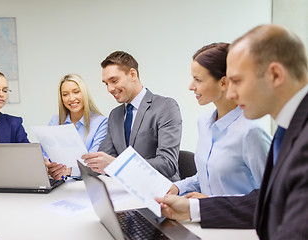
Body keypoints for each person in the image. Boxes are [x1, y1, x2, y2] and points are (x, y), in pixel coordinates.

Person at [156, 24, 308, 239]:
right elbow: (265, 200)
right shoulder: (291, 128)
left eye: (237, 81)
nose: (232, 93)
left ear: (275, 75)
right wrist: (194, 208)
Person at [168, 43, 271, 198]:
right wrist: (177, 187)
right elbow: (208, 176)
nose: (191, 86)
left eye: (198, 80)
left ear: (224, 83)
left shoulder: (251, 131)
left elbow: (271, 196)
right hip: (203, 219)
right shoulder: (204, 122)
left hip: (237, 222)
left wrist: (209, 203)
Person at [82, 51, 182, 181]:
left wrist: (116, 164)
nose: (110, 89)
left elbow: (167, 164)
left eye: (114, 80)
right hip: (125, 190)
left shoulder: (165, 106)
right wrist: (68, 170)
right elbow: (104, 158)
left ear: (133, 74)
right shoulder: (115, 115)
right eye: (106, 83)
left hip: (162, 192)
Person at [45, 73, 108, 180]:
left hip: (84, 184)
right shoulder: (54, 121)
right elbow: (44, 153)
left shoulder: (101, 123)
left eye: (76, 92)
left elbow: (94, 164)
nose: (71, 98)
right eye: (65, 94)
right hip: (57, 183)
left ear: (84, 93)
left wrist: (69, 171)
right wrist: (46, 165)